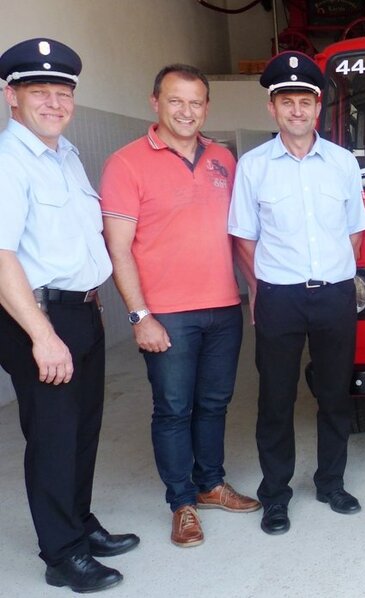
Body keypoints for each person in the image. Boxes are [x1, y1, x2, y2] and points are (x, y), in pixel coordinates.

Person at [100, 64, 260, 549]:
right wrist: (139, 315)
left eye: (195, 102)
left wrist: (257, 294)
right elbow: (119, 246)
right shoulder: (126, 163)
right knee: (173, 409)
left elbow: (240, 236)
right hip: (166, 314)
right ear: (156, 103)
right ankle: (182, 503)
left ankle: (210, 484)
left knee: (214, 404)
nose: (186, 111)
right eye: (175, 101)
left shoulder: (223, 160)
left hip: (223, 306)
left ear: (206, 107)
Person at [0, 38, 138, 593]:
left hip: (80, 314)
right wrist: (42, 334)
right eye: (40, 92)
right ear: (12, 96)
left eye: (63, 93)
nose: (54, 102)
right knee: (54, 439)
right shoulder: (10, 163)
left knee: (82, 432)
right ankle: (62, 555)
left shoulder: (67, 155)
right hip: (38, 318)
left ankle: (80, 525)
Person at [229, 51, 365, 535]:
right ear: (272, 108)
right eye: (286, 101)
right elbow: (244, 239)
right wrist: (266, 288)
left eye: (305, 101)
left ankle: (331, 482)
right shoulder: (252, 167)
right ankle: (276, 496)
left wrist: (333, 270)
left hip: (334, 295)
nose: (296, 110)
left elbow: (354, 231)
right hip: (280, 297)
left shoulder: (341, 164)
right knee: (275, 399)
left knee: (335, 396)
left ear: (318, 107)